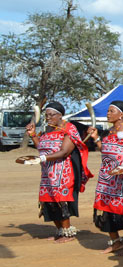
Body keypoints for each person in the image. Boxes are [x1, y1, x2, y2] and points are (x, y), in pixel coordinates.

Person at [26, 101, 90, 241]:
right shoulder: (48, 129)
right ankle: (60, 230)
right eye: (46, 115)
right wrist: (33, 135)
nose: (48, 118)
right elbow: (41, 147)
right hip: (47, 173)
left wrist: (42, 158)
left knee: (61, 201)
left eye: (51, 115)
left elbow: (64, 152)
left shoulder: (69, 128)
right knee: (48, 201)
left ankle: (68, 232)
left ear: (60, 115)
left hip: (63, 173)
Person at [87, 101, 123, 255]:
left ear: (121, 114)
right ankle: (115, 241)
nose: (108, 114)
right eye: (108, 111)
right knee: (105, 209)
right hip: (107, 178)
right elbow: (104, 150)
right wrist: (96, 137)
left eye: (111, 111)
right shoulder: (109, 131)